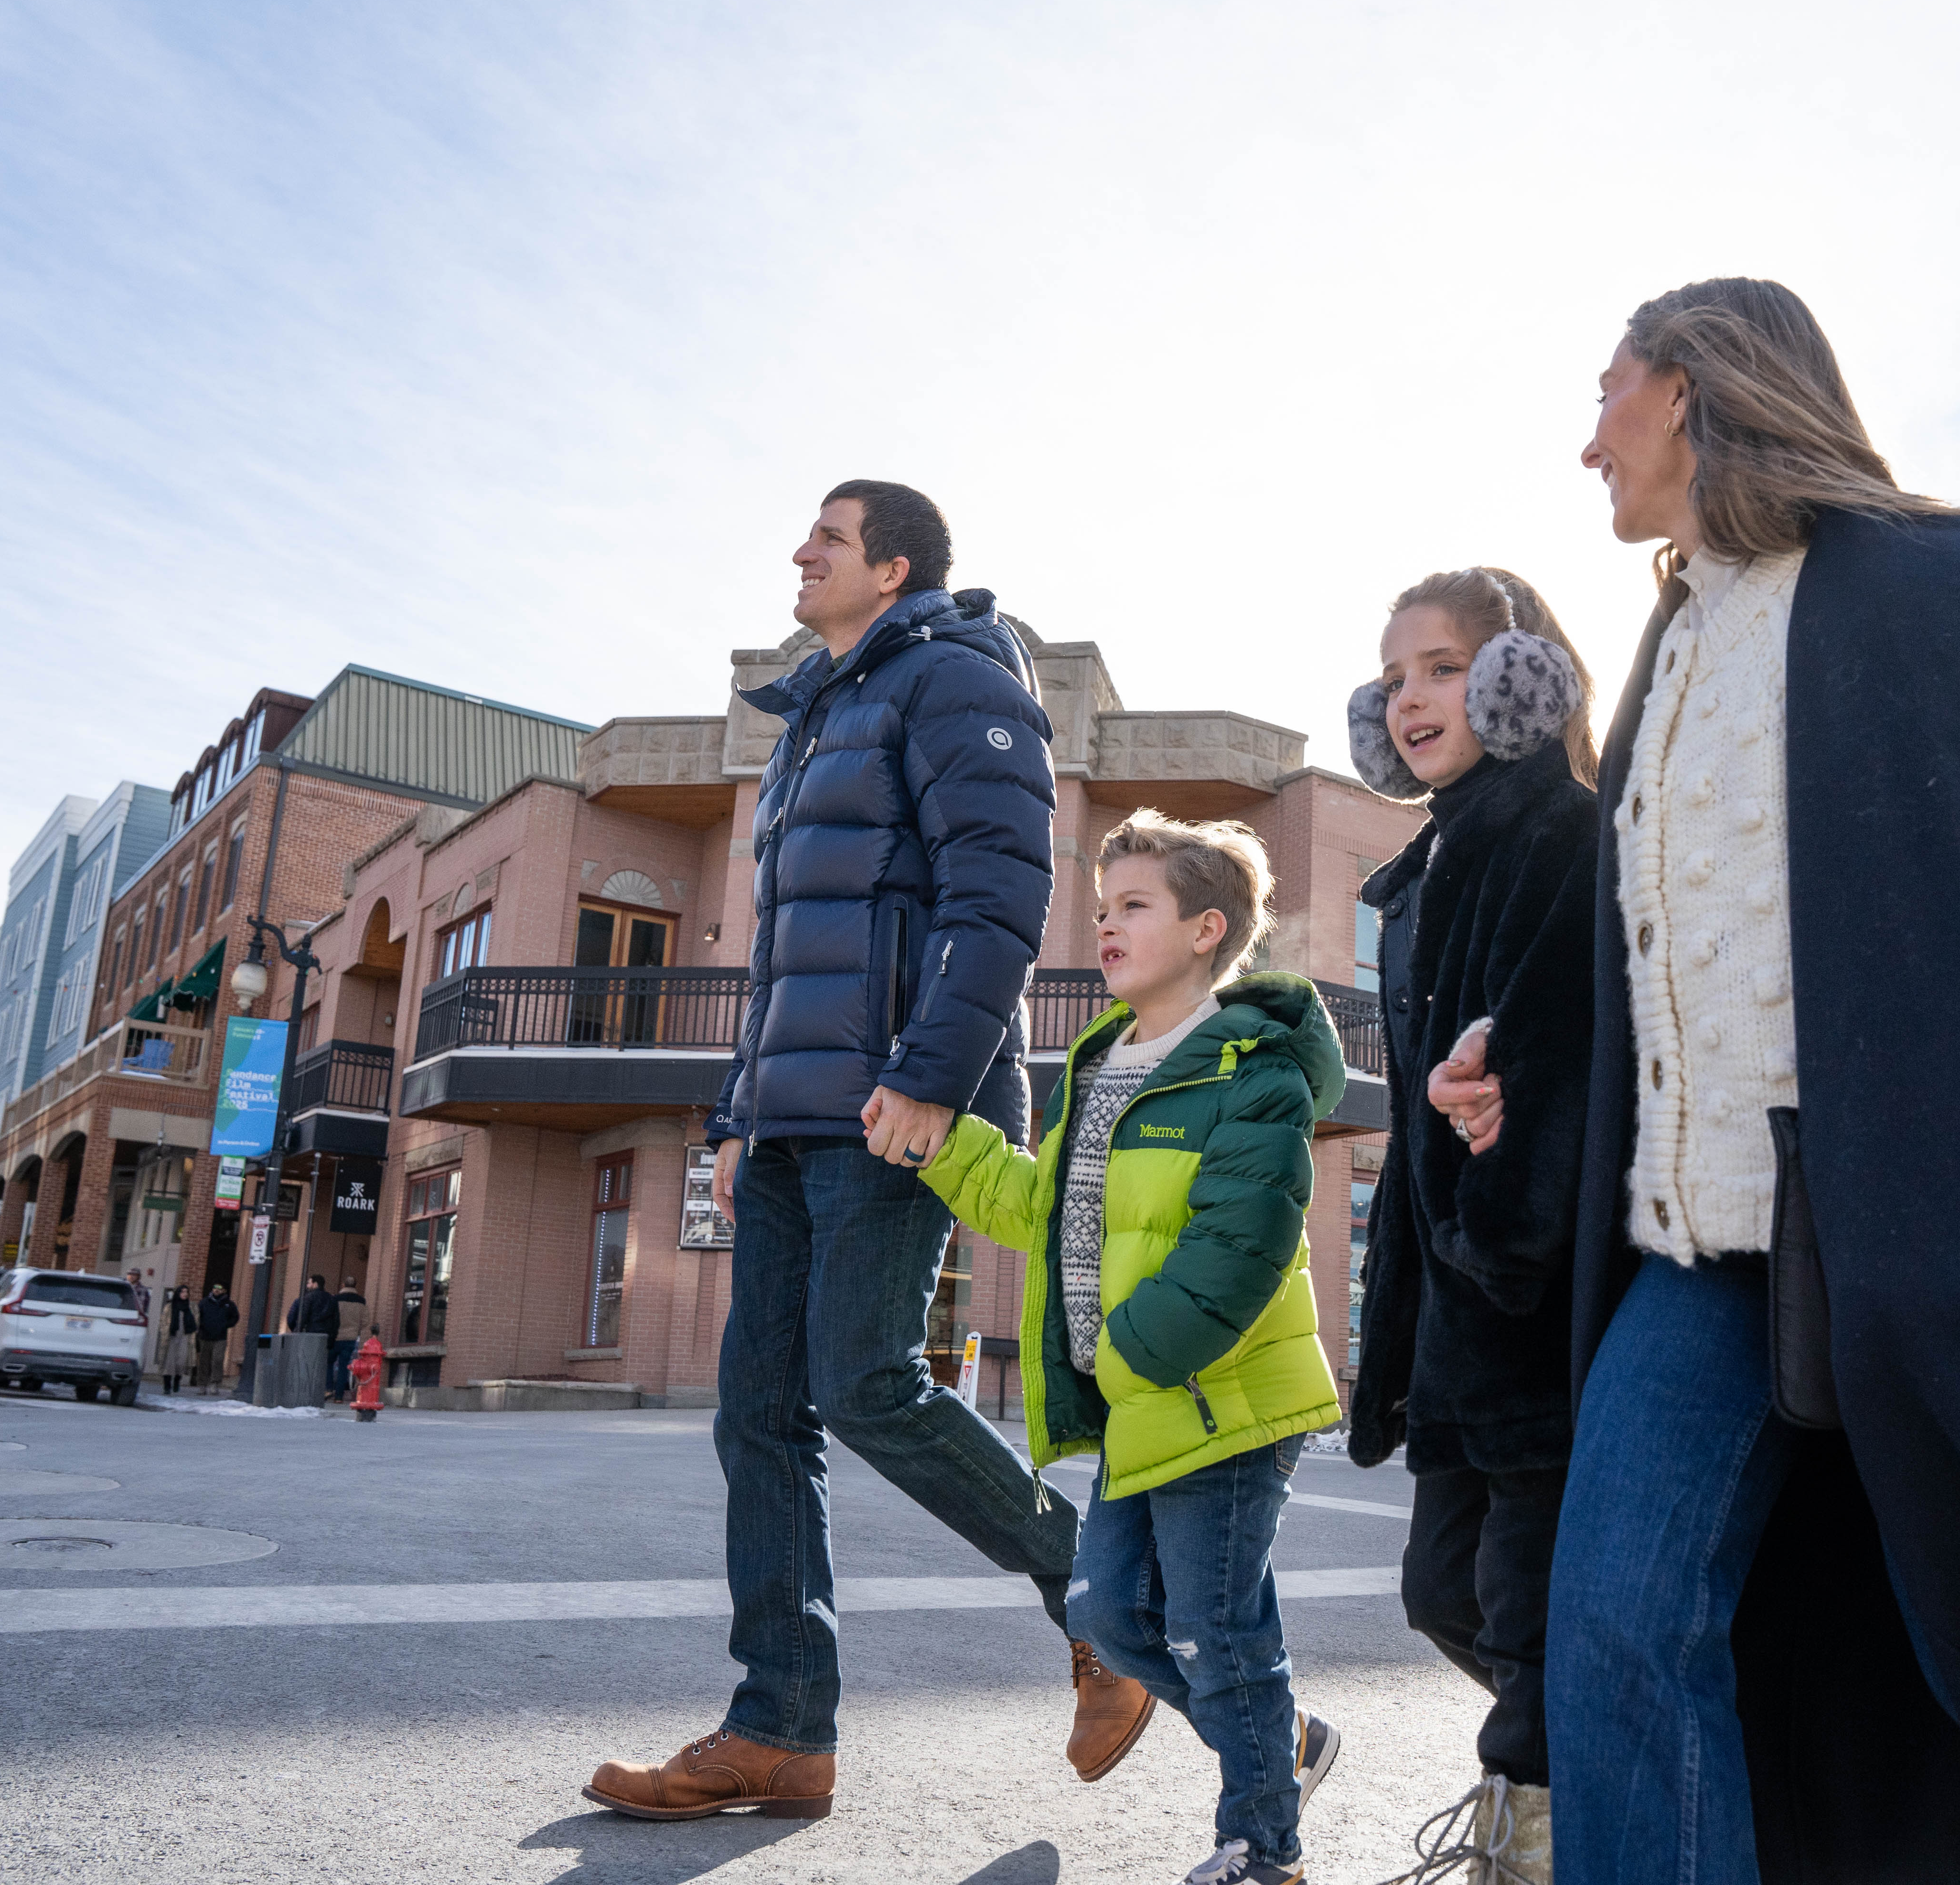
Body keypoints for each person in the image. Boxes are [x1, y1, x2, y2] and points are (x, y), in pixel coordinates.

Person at [1447, 278, 1960, 1882]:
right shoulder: (1670, 640)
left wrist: (1954, 1221)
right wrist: (1522, 1069)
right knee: (1614, 1636)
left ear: (1686, 389)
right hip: (1691, 1254)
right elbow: (1652, 964)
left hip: (1902, 1242)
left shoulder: (1921, 582)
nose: (1585, 443)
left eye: (1605, 391)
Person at [586, 481, 1138, 1824]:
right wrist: (735, 1116)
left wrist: (931, 1082)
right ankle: (780, 1729)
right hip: (793, 1115)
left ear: (889, 567)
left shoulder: (955, 681)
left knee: (864, 1382)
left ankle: (1112, 1603)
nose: (798, 552)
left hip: (900, 1105)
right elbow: (780, 958)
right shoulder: (814, 717)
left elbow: (1002, 897)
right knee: (757, 1416)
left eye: (825, 538)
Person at [918, 812, 1347, 1885]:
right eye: (1103, 907)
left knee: (1215, 1628)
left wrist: (1126, 1351)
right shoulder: (1101, 1062)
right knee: (1108, 1612)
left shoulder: (1252, 1067)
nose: (1105, 924)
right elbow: (1044, 1205)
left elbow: (1238, 1243)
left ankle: (1264, 1849)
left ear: (1209, 929)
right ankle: (1279, 1737)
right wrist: (946, 1143)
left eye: (1134, 905)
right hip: (1142, 1402)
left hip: (1223, 1400)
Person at [1344, 568, 1598, 1885]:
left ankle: (1538, 1834)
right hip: (1448, 1307)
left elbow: (1550, 1067)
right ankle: (1605, 1772)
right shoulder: (1424, 868)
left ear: (1521, 680)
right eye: (1393, 679)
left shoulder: (1564, 833)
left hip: (1527, 1304)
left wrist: (1500, 1239)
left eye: (1441, 667)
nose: (1410, 698)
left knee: (1529, 1614)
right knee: (1445, 1593)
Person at [193, 1284, 239, 1391]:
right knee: (204, 1361)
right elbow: (197, 1316)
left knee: (218, 1360)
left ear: (224, 1290)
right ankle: (202, 1384)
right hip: (205, 1336)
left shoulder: (229, 1304)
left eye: (219, 1289)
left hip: (220, 1337)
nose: (216, 1291)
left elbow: (235, 1317)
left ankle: (215, 1383)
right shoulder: (204, 1302)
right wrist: (200, 1327)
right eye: (214, 1288)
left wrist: (226, 1325)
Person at [332, 1279, 368, 1402]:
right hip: (350, 1338)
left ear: (343, 1285)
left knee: (329, 1363)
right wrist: (356, 1330)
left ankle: (328, 1390)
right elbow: (365, 1322)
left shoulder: (335, 1299)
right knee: (344, 1367)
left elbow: (329, 1317)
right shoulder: (361, 1301)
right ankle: (339, 1396)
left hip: (335, 1337)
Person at [159, 1285, 197, 1394]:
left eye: (187, 1292)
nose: (185, 1294)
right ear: (178, 1293)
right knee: (169, 1362)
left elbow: (196, 1322)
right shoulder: (170, 1307)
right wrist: (167, 1331)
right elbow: (163, 1322)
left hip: (186, 1336)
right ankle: (167, 1386)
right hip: (171, 1337)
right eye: (182, 1292)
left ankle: (177, 1381)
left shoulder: (192, 1307)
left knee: (181, 1362)